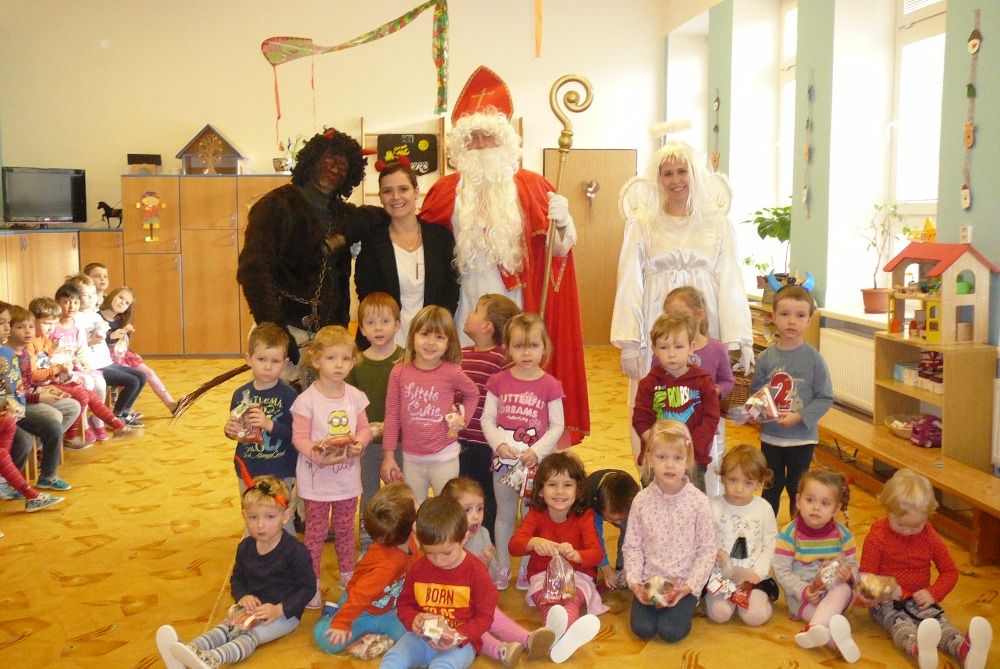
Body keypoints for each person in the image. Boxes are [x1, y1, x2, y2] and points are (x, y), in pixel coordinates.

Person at [419, 66, 589, 447]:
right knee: (465, 383)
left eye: (489, 136)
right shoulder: (445, 192)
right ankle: (465, 446)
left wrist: (564, 224)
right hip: (465, 310)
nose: (481, 145)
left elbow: (558, 255)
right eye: (473, 138)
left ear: (505, 140)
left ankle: (519, 444)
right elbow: (419, 244)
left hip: (515, 304)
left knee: (514, 386)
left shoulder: (533, 187)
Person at [611, 129, 752, 466]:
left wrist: (738, 339)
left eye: (682, 171)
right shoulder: (642, 224)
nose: (675, 180)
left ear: (695, 173)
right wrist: (629, 341)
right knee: (655, 400)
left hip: (704, 323)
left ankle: (705, 479)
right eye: (667, 173)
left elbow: (731, 279)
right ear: (657, 178)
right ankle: (654, 475)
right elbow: (629, 281)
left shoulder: (717, 224)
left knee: (704, 401)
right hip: (657, 322)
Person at [238, 128, 382, 371]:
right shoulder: (275, 205)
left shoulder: (344, 214)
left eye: (344, 164)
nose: (336, 168)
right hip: (285, 332)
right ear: (313, 159)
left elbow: (378, 216)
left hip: (331, 338)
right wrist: (275, 328)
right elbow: (253, 271)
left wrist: (344, 237)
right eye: (330, 158)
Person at [158, 475, 314, 669]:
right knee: (226, 628)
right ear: (244, 516)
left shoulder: (295, 551)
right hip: (250, 609)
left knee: (249, 636)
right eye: (253, 517)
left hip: (284, 615)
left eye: (270, 517)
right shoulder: (245, 547)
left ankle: (212, 659)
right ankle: (187, 651)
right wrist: (243, 596)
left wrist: (279, 609)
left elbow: (308, 588)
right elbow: (237, 578)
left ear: (285, 516)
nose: (261, 525)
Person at [860, 469, 993, 669]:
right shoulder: (877, 536)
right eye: (901, 525)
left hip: (921, 599)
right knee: (900, 625)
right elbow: (865, 578)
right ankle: (919, 649)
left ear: (927, 516)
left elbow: (950, 571)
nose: (908, 532)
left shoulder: (930, 537)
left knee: (940, 623)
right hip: (887, 602)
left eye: (916, 526)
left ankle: (964, 649)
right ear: (888, 510)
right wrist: (885, 590)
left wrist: (933, 593)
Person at [290, 325, 372, 608]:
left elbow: (364, 429)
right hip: (316, 482)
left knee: (345, 530)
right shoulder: (306, 400)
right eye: (331, 358)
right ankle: (310, 582)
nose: (339, 365)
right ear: (316, 360)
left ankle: (348, 575)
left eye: (345, 358)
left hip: (346, 481)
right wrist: (317, 455)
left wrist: (360, 443)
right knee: (314, 534)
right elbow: (299, 437)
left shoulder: (355, 397)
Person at [482, 312, 565, 591]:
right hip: (504, 463)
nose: (526, 353)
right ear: (507, 347)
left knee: (531, 518)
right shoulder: (498, 381)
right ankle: (503, 567)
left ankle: (527, 570)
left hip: (535, 468)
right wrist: (499, 445)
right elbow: (487, 419)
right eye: (518, 346)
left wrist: (537, 452)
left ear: (544, 347)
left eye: (533, 346)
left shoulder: (550, 385)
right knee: (505, 515)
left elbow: (557, 425)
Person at [442, 476, 556, 666]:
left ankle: (528, 638)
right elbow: (441, 577)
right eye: (467, 510)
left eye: (480, 509)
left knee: (494, 616)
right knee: (474, 627)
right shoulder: (444, 541)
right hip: (451, 606)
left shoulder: (483, 534)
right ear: (448, 512)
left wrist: (487, 566)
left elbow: (492, 579)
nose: (476, 516)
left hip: (475, 599)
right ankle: (500, 650)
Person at [622, 420, 715, 644]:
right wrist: (635, 583)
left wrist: (689, 587)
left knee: (670, 631)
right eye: (662, 457)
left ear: (688, 461)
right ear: (649, 459)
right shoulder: (641, 500)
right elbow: (632, 546)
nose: (670, 465)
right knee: (643, 628)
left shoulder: (699, 502)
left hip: (683, 582)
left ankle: (689, 602)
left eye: (677, 458)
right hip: (650, 581)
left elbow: (707, 550)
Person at [380, 495, 497, 669]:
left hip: (460, 643)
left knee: (444, 666)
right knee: (393, 658)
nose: (439, 561)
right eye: (430, 553)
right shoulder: (418, 569)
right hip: (420, 638)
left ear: (464, 538)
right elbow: (405, 605)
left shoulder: (476, 572)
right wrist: (414, 619)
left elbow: (485, 617)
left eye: (447, 553)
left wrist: (460, 635)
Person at [509, 452, 604, 664]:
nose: (560, 492)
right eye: (552, 485)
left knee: (570, 600)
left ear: (578, 490)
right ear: (540, 490)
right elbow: (514, 546)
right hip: (543, 576)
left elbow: (596, 554)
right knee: (548, 601)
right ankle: (562, 635)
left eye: (567, 485)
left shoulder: (584, 516)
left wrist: (576, 555)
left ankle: (554, 634)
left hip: (577, 576)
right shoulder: (535, 514)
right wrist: (533, 542)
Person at [749, 284, 833, 519]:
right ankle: (767, 531)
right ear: (773, 317)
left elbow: (825, 397)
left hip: (802, 439)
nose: (792, 321)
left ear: (809, 320)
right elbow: (757, 392)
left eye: (800, 315)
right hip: (771, 437)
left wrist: (799, 417)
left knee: (799, 489)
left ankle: (799, 533)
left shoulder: (814, 359)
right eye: (785, 314)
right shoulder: (765, 357)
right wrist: (760, 411)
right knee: (770, 487)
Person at [355, 159, 460, 348]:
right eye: (387, 191)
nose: (396, 197)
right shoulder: (372, 242)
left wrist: (435, 333)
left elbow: (451, 292)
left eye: (403, 189)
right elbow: (367, 295)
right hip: (384, 346)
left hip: (431, 345)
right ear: (381, 197)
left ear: (416, 192)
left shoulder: (441, 238)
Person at [380, 305, 479, 503]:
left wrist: (462, 419)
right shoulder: (399, 372)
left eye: (439, 337)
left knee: (446, 509)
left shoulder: (452, 371)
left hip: (445, 456)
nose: (431, 342)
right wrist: (389, 456)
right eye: (425, 334)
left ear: (448, 342)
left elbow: (473, 394)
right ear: (412, 336)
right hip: (411, 458)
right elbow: (392, 415)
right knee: (415, 508)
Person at [313, 481, 419, 654]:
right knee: (327, 641)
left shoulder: (409, 540)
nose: (420, 506)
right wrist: (342, 623)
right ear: (411, 522)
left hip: (387, 609)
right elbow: (360, 595)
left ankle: (371, 632)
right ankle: (330, 615)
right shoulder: (388, 566)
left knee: (410, 635)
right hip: (360, 609)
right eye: (416, 504)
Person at [773, 468, 860, 663]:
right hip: (803, 599)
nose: (816, 507)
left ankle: (814, 628)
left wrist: (849, 575)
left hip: (834, 595)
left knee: (843, 589)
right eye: (810, 500)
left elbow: (854, 566)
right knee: (820, 619)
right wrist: (803, 590)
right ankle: (834, 641)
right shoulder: (789, 534)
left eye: (825, 503)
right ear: (798, 501)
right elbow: (782, 571)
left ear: (836, 509)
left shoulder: (843, 535)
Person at [631, 312, 720, 490]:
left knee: (692, 502)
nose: (671, 354)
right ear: (654, 349)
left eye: (679, 347)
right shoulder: (649, 383)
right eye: (664, 347)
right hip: (657, 459)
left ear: (691, 347)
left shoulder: (703, 381)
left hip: (692, 460)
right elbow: (640, 419)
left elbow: (711, 418)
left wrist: (690, 446)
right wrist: (656, 443)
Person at [223, 323, 298, 535]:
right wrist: (230, 430)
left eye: (275, 361)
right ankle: (251, 553)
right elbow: (237, 431)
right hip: (248, 468)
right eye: (262, 359)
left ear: (285, 363)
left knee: (282, 519)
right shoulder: (240, 394)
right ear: (249, 359)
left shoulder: (289, 395)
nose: (267, 367)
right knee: (253, 518)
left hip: (281, 470)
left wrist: (268, 424)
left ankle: (286, 553)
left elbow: (295, 434)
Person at [458, 293, 520, 543]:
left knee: (486, 498)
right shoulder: (460, 354)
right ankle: (462, 542)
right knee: (461, 494)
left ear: (487, 327)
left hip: (486, 445)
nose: (469, 314)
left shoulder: (502, 359)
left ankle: (488, 546)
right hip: (459, 441)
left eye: (475, 311)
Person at [26, 297, 131, 445]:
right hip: (38, 387)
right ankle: (70, 436)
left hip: (49, 381)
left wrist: (60, 359)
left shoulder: (43, 339)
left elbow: (46, 360)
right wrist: (57, 369)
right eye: (46, 323)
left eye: (53, 323)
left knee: (89, 394)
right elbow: (34, 375)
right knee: (82, 395)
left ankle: (118, 426)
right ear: (32, 320)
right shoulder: (29, 343)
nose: (51, 328)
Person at [347, 292, 405, 550]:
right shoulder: (356, 364)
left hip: (401, 442)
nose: (378, 328)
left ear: (398, 324)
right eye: (370, 323)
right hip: (367, 444)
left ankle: (402, 540)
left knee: (400, 493)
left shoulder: (407, 360)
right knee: (368, 492)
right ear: (361, 329)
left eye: (385, 321)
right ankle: (368, 542)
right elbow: (349, 405)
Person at [664, 285, 734, 497]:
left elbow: (728, 381)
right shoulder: (665, 350)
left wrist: (715, 390)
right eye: (669, 316)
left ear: (699, 315)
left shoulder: (716, 348)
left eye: (681, 315)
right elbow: (655, 383)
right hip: (672, 429)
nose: (675, 321)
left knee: (697, 477)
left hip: (703, 428)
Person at [5, 305, 80, 493]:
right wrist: (38, 397)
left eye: (30, 327)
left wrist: (46, 390)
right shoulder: (6, 356)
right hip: (12, 407)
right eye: (20, 327)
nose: (28, 331)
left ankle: (47, 474)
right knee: (38, 430)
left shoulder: (24, 353)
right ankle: (11, 482)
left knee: (64, 414)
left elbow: (25, 384)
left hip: (21, 403)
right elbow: (10, 393)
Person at [0, 303, 64, 513]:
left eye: (8, 323)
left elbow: (15, 387)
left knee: (52, 425)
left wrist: (21, 403)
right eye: (2, 323)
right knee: (23, 442)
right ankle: (15, 487)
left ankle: (44, 478)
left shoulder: (8, 353)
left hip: (14, 411)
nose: (7, 328)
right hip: (6, 415)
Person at [705, 444, 778, 627]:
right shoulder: (712, 506)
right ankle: (718, 599)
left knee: (755, 617)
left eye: (748, 482)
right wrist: (712, 554)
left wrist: (758, 572)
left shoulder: (764, 508)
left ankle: (757, 600)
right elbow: (703, 541)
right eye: (733, 480)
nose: (739, 488)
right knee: (720, 614)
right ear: (723, 478)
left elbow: (770, 545)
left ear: (759, 483)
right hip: (720, 576)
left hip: (753, 576)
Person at [70, 274, 147, 435]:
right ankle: (116, 415)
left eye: (93, 294)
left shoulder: (94, 314)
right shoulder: (76, 318)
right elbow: (78, 346)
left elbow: (103, 336)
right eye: (86, 295)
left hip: (105, 361)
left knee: (141, 376)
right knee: (132, 381)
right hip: (93, 365)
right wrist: (94, 340)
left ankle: (124, 412)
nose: (92, 297)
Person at [100, 286, 176, 413]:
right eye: (121, 298)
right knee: (133, 378)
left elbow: (122, 345)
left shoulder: (120, 320)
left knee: (149, 373)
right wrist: (111, 336)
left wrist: (125, 332)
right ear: (111, 296)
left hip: (123, 355)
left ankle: (171, 404)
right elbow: (95, 344)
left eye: (127, 303)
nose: (122, 303)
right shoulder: (97, 317)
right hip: (107, 359)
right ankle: (122, 411)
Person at [586, 468, 638, 591]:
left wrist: (627, 566)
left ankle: (621, 567)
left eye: (621, 519)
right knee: (589, 536)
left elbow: (633, 538)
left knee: (629, 531)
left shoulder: (636, 499)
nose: (618, 523)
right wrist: (605, 567)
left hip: (621, 507)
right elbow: (595, 537)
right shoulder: (588, 498)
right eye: (612, 519)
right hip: (589, 503)